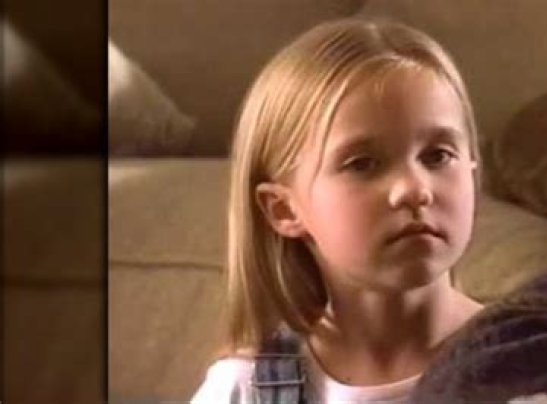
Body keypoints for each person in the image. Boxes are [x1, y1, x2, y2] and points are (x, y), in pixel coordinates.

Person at [191, 17, 483, 403]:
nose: (415, 189)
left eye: (438, 155)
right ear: (283, 209)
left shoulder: (535, 367)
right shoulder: (247, 388)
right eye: (362, 164)